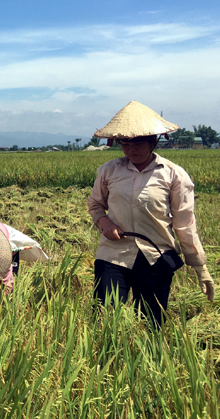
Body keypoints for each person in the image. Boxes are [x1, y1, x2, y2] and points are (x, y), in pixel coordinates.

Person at [88, 100, 215, 327]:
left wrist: (200, 267)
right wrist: (105, 223)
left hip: (155, 256)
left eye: (138, 143)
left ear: (153, 141)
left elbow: (185, 225)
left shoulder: (173, 175)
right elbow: (96, 204)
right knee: (105, 319)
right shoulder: (109, 171)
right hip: (113, 254)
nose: (131, 149)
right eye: (125, 144)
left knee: (151, 323)